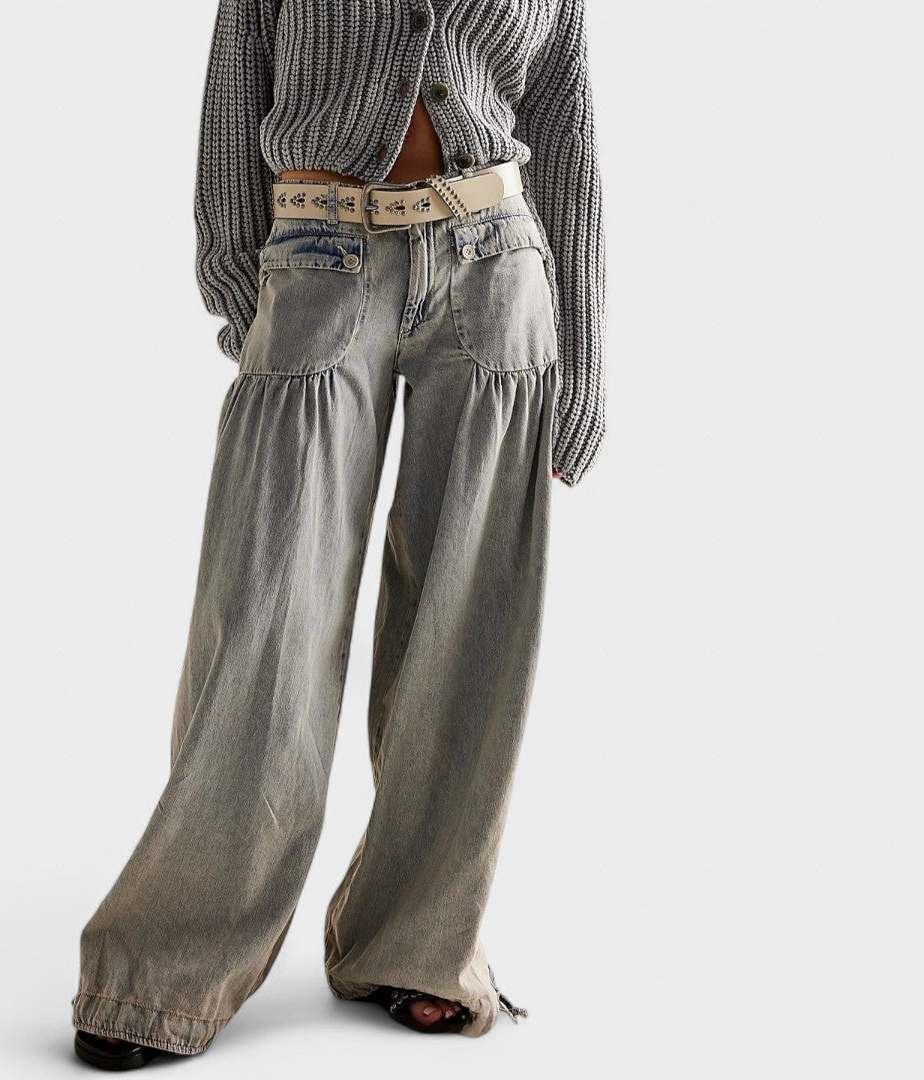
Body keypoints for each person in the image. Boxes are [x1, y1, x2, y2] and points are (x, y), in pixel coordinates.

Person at [71, 0, 605, 1069]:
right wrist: (249, 294)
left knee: (468, 639)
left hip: (497, 272)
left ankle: (417, 947)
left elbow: (565, 134)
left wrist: (583, 362)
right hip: (318, 259)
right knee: (263, 625)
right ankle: (163, 974)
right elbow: (234, 103)